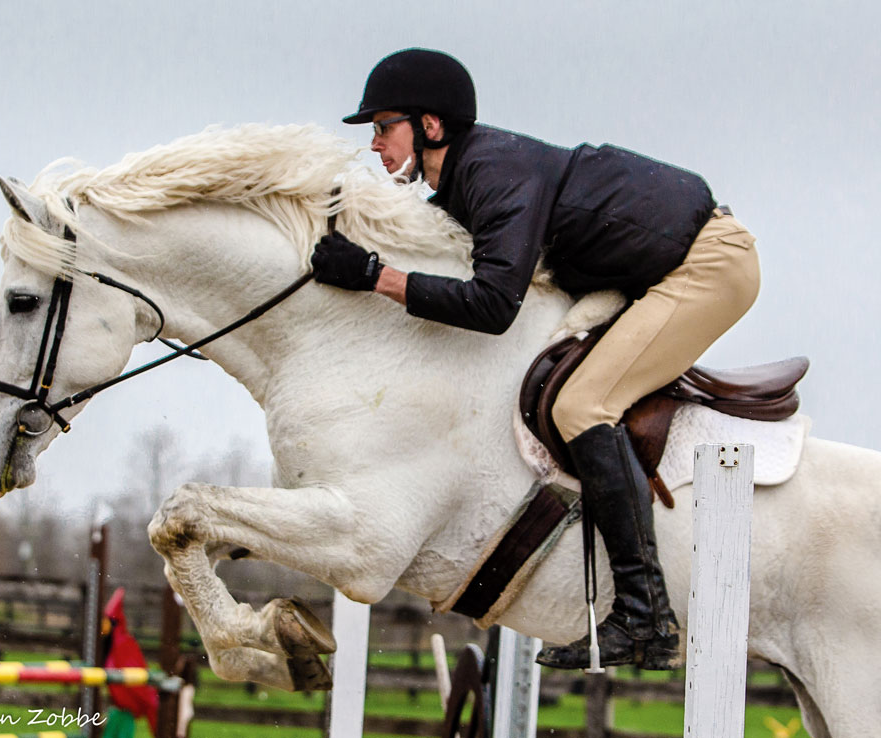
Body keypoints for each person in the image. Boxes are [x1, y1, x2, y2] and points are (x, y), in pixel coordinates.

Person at [311, 48, 760, 670]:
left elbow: (494, 305)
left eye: (384, 127)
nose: (375, 145)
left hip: (708, 267)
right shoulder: (467, 178)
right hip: (657, 267)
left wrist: (374, 276)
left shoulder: (492, 171)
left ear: (431, 126)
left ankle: (646, 616)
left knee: (581, 404)